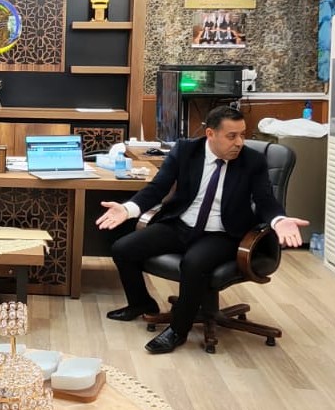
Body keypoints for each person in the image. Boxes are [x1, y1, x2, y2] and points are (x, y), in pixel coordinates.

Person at [95, 105, 308, 354]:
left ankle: (178, 330)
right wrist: (128, 208)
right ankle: (141, 303)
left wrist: (279, 220)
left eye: (242, 134)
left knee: (193, 264)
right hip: (181, 225)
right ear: (210, 134)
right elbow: (158, 187)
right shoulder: (186, 151)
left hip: (223, 233)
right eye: (231, 136)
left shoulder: (252, 161)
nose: (239, 142)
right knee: (123, 249)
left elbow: (265, 200)